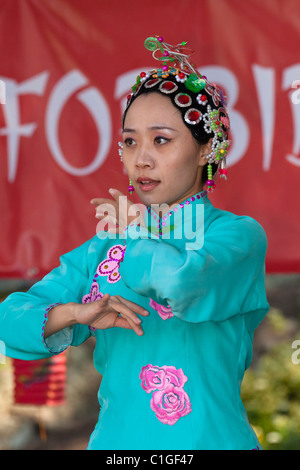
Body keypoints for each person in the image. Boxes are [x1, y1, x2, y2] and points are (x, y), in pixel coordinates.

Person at [0, 36, 269, 450]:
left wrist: (138, 233)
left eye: (161, 140)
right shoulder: (103, 248)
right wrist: (76, 312)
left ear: (205, 150)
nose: (141, 158)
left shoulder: (236, 236)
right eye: (129, 141)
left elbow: (183, 284)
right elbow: (10, 321)